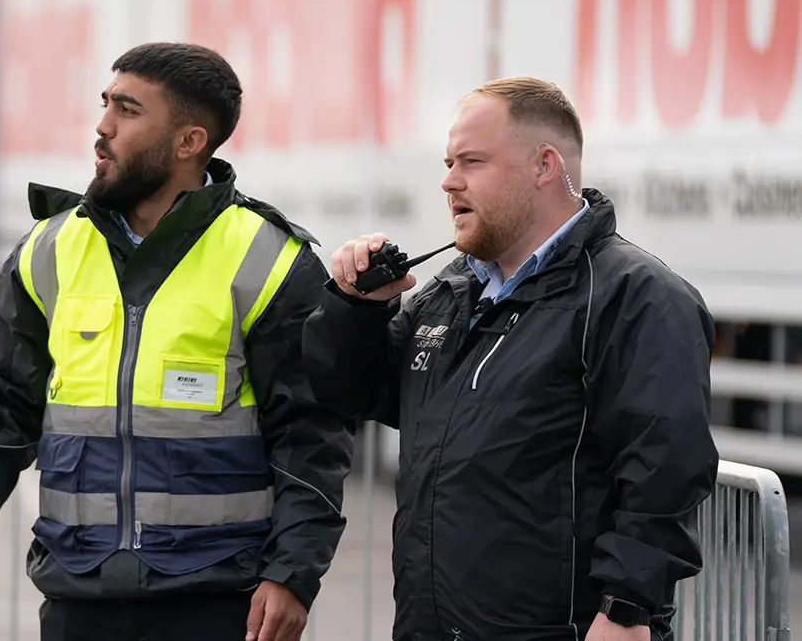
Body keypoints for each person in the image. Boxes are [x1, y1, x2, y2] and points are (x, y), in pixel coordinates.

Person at [0, 41, 354, 641]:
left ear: (188, 142)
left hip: (218, 603)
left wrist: (293, 574)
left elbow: (310, 437)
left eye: (127, 110)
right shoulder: (49, 251)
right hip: (79, 594)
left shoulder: (268, 259)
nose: (102, 127)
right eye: (106, 104)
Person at [302, 77, 719, 641]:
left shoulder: (634, 295)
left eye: (472, 161)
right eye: (448, 162)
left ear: (544, 166)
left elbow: (664, 468)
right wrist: (355, 310)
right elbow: (355, 393)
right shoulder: (451, 291)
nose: (449, 182)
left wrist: (627, 610)